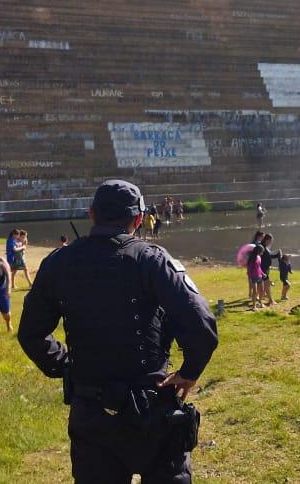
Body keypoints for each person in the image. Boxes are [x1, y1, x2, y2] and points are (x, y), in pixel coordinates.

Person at [18, 179, 218, 484]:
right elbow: (201, 323)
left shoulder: (58, 263)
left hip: (92, 412)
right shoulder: (152, 259)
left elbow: (31, 333)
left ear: (91, 214)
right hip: (153, 408)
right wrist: (189, 372)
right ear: (138, 220)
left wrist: (64, 366)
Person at [259, 233, 282, 306]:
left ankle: (269, 301)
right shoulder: (262, 247)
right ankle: (270, 301)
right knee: (266, 285)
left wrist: (278, 254)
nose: (271, 242)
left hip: (265, 269)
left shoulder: (265, 247)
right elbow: (261, 257)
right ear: (267, 240)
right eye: (271, 241)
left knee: (266, 285)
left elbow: (269, 256)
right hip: (263, 269)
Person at [247, 244, 266, 309]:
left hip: (259, 276)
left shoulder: (259, 257)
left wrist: (263, 273)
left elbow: (259, 267)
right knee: (255, 291)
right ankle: (254, 306)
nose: (262, 253)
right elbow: (249, 268)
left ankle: (260, 303)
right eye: (262, 251)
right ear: (258, 251)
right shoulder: (252, 258)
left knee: (262, 290)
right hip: (254, 276)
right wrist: (250, 276)